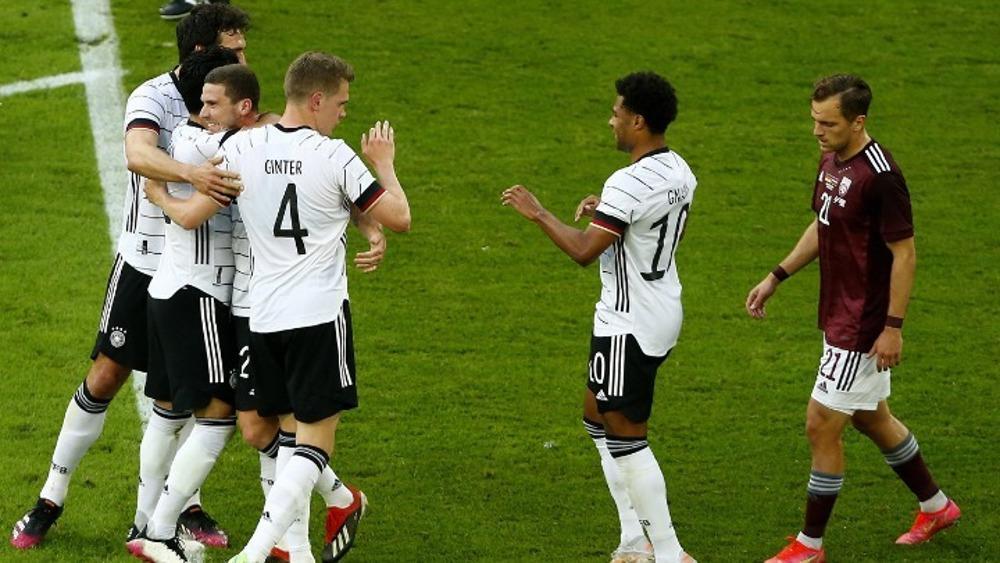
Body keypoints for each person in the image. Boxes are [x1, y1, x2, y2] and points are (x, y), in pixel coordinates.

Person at [9, 3, 250, 551]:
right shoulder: (153, 97)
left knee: (187, 392)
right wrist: (191, 174)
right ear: (202, 51)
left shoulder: (232, 99)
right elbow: (138, 153)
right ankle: (51, 496)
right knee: (106, 376)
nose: (243, 60)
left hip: (202, 274)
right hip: (144, 263)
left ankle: (181, 506)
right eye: (233, 51)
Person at [146, 61, 383, 563]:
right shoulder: (233, 149)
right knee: (259, 429)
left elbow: (335, 191)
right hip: (251, 306)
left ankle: (292, 549)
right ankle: (338, 499)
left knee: (292, 430)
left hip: (277, 304)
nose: (203, 114)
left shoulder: (260, 143)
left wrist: (370, 227)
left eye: (213, 104)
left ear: (245, 107)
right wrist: (170, 190)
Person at [746, 74, 960, 563]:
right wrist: (777, 275)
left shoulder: (880, 176)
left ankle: (809, 546)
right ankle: (937, 507)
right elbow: (823, 223)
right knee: (870, 416)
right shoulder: (830, 160)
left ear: (858, 121)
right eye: (814, 121)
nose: (817, 132)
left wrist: (892, 328)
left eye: (828, 124)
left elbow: (904, 253)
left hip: (863, 323)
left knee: (821, 424)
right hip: (838, 311)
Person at [223, 51, 411, 563]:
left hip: (263, 315)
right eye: (341, 104)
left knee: (288, 437)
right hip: (318, 316)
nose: (344, 114)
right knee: (313, 447)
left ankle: (299, 551)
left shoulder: (244, 146)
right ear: (317, 99)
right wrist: (385, 164)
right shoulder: (335, 156)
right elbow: (399, 217)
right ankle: (253, 554)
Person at [502, 71, 697, 563]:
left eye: (616, 114)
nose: (611, 121)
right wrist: (606, 211)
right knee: (596, 415)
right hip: (662, 307)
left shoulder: (627, 183)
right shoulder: (679, 170)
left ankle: (668, 552)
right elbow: (642, 227)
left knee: (627, 438)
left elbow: (585, 251)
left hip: (628, 322)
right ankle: (634, 537)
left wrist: (539, 213)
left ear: (638, 121)